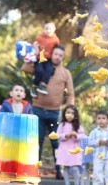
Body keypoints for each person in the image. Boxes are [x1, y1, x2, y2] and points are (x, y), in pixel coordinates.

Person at [27, 44, 74, 179]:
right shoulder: (40, 66)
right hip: (38, 110)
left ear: (63, 58)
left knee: (56, 143)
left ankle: (59, 171)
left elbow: (70, 93)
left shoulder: (65, 73)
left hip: (54, 112)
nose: (57, 57)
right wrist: (35, 54)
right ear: (51, 54)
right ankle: (33, 170)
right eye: (56, 54)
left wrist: (71, 110)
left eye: (60, 55)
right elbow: (24, 68)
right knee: (37, 141)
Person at [55, 105, 86, 185]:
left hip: (75, 149)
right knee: (66, 167)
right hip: (64, 149)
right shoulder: (62, 125)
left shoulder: (77, 126)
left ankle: (77, 182)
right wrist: (66, 135)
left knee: (75, 168)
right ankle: (67, 183)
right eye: (68, 112)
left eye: (72, 113)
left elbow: (82, 136)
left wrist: (76, 135)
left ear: (75, 115)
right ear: (64, 114)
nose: (70, 115)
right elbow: (58, 135)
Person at [88, 110, 108, 185]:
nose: (101, 120)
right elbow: (90, 143)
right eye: (99, 118)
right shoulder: (94, 132)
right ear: (96, 120)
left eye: (103, 118)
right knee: (97, 174)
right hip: (98, 157)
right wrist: (98, 142)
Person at [32, 21, 60, 96]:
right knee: (39, 70)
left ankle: (43, 85)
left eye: (50, 29)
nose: (48, 30)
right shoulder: (39, 38)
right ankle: (34, 85)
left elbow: (57, 49)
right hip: (39, 58)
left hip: (48, 59)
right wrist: (35, 49)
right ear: (43, 29)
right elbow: (34, 46)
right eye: (46, 28)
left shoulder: (55, 40)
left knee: (50, 70)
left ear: (54, 29)